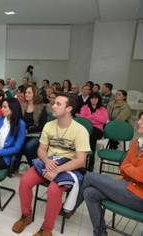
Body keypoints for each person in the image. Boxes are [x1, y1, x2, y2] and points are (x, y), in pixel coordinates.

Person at [12, 92, 90, 236]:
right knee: (25, 182)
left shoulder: (80, 131)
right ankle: (26, 216)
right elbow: (41, 150)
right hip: (49, 162)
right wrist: (47, 161)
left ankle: (46, 229)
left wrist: (57, 169)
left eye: (58, 104)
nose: (53, 106)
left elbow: (80, 161)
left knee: (53, 191)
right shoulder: (49, 125)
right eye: (54, 103)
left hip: (67, 166)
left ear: (69, 109)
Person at [71, 110, 143, 236]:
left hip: (140, 196)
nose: (139, 122)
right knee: (89, 193)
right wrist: (132, 171)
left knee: (89, 177)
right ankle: (100, 233)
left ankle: (69, 208)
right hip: (129, 187)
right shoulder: (137, 143)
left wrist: (130, 170)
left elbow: (140, 175)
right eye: (140, 119)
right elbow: (123, 167)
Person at [80, 92, 108, 172]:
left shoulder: (103, 109)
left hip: (97, 130)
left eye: (95, 98)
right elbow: (83, 119)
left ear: (98, 99)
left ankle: (90, 160)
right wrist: (96, 120)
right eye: (92, 98)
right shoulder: (84, 107)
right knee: (89, 133)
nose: (93, 100)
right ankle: (85, 159)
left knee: (93, 133)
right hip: (87, 129)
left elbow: (104, 120)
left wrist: (92, 117)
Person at [21, 85, 48, 166]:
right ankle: (14, 167)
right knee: (18, 146)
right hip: (23, 133)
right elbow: (19, 121)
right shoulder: (22, 106)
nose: (26, 94)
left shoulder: (41, 107)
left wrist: (28, 130)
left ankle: (33, 166)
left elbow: (42, 125)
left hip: (37, 133)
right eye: (26, 92)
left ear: (35, 94)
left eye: (29, 93)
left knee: (28, 147)